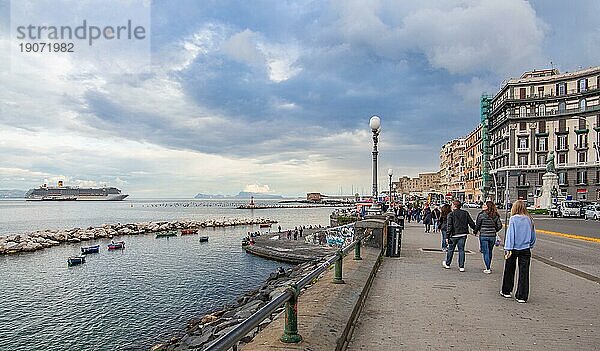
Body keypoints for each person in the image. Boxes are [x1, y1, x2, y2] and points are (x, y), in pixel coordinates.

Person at [500, 200, 536, 303]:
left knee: (509, 270)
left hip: (513, 248)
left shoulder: (513, 219)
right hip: (525, 249)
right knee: (524, 273)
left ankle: (506, 291)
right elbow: (533, 235)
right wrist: (531, 244)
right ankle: (522, 296)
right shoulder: (529, 219)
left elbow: (511, 234)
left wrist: (508, 248)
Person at [442, 200, 476, 272]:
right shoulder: (465, 213)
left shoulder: (451, 214)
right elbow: (471, 223)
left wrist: (447, 237)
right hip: (463, 234)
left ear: (454, 206)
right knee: (461, 250)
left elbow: (449, 227)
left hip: (453, 235)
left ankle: (448, 264)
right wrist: (475, 230)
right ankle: (461, 266)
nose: (451, 206)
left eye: (452, 205)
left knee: (451, 249)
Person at [474, 201, 503, 274]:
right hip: (492, 236)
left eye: (484, 205)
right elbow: (500, 226)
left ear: (487, 206)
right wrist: (494, 230)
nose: (483, 206)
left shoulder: (481, 215)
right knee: (490, 251)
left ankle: (487, 268)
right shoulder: (495, 215)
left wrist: (475, 231)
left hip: (483, 235)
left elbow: (478, 224)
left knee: (485, 252)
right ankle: (488, 266)